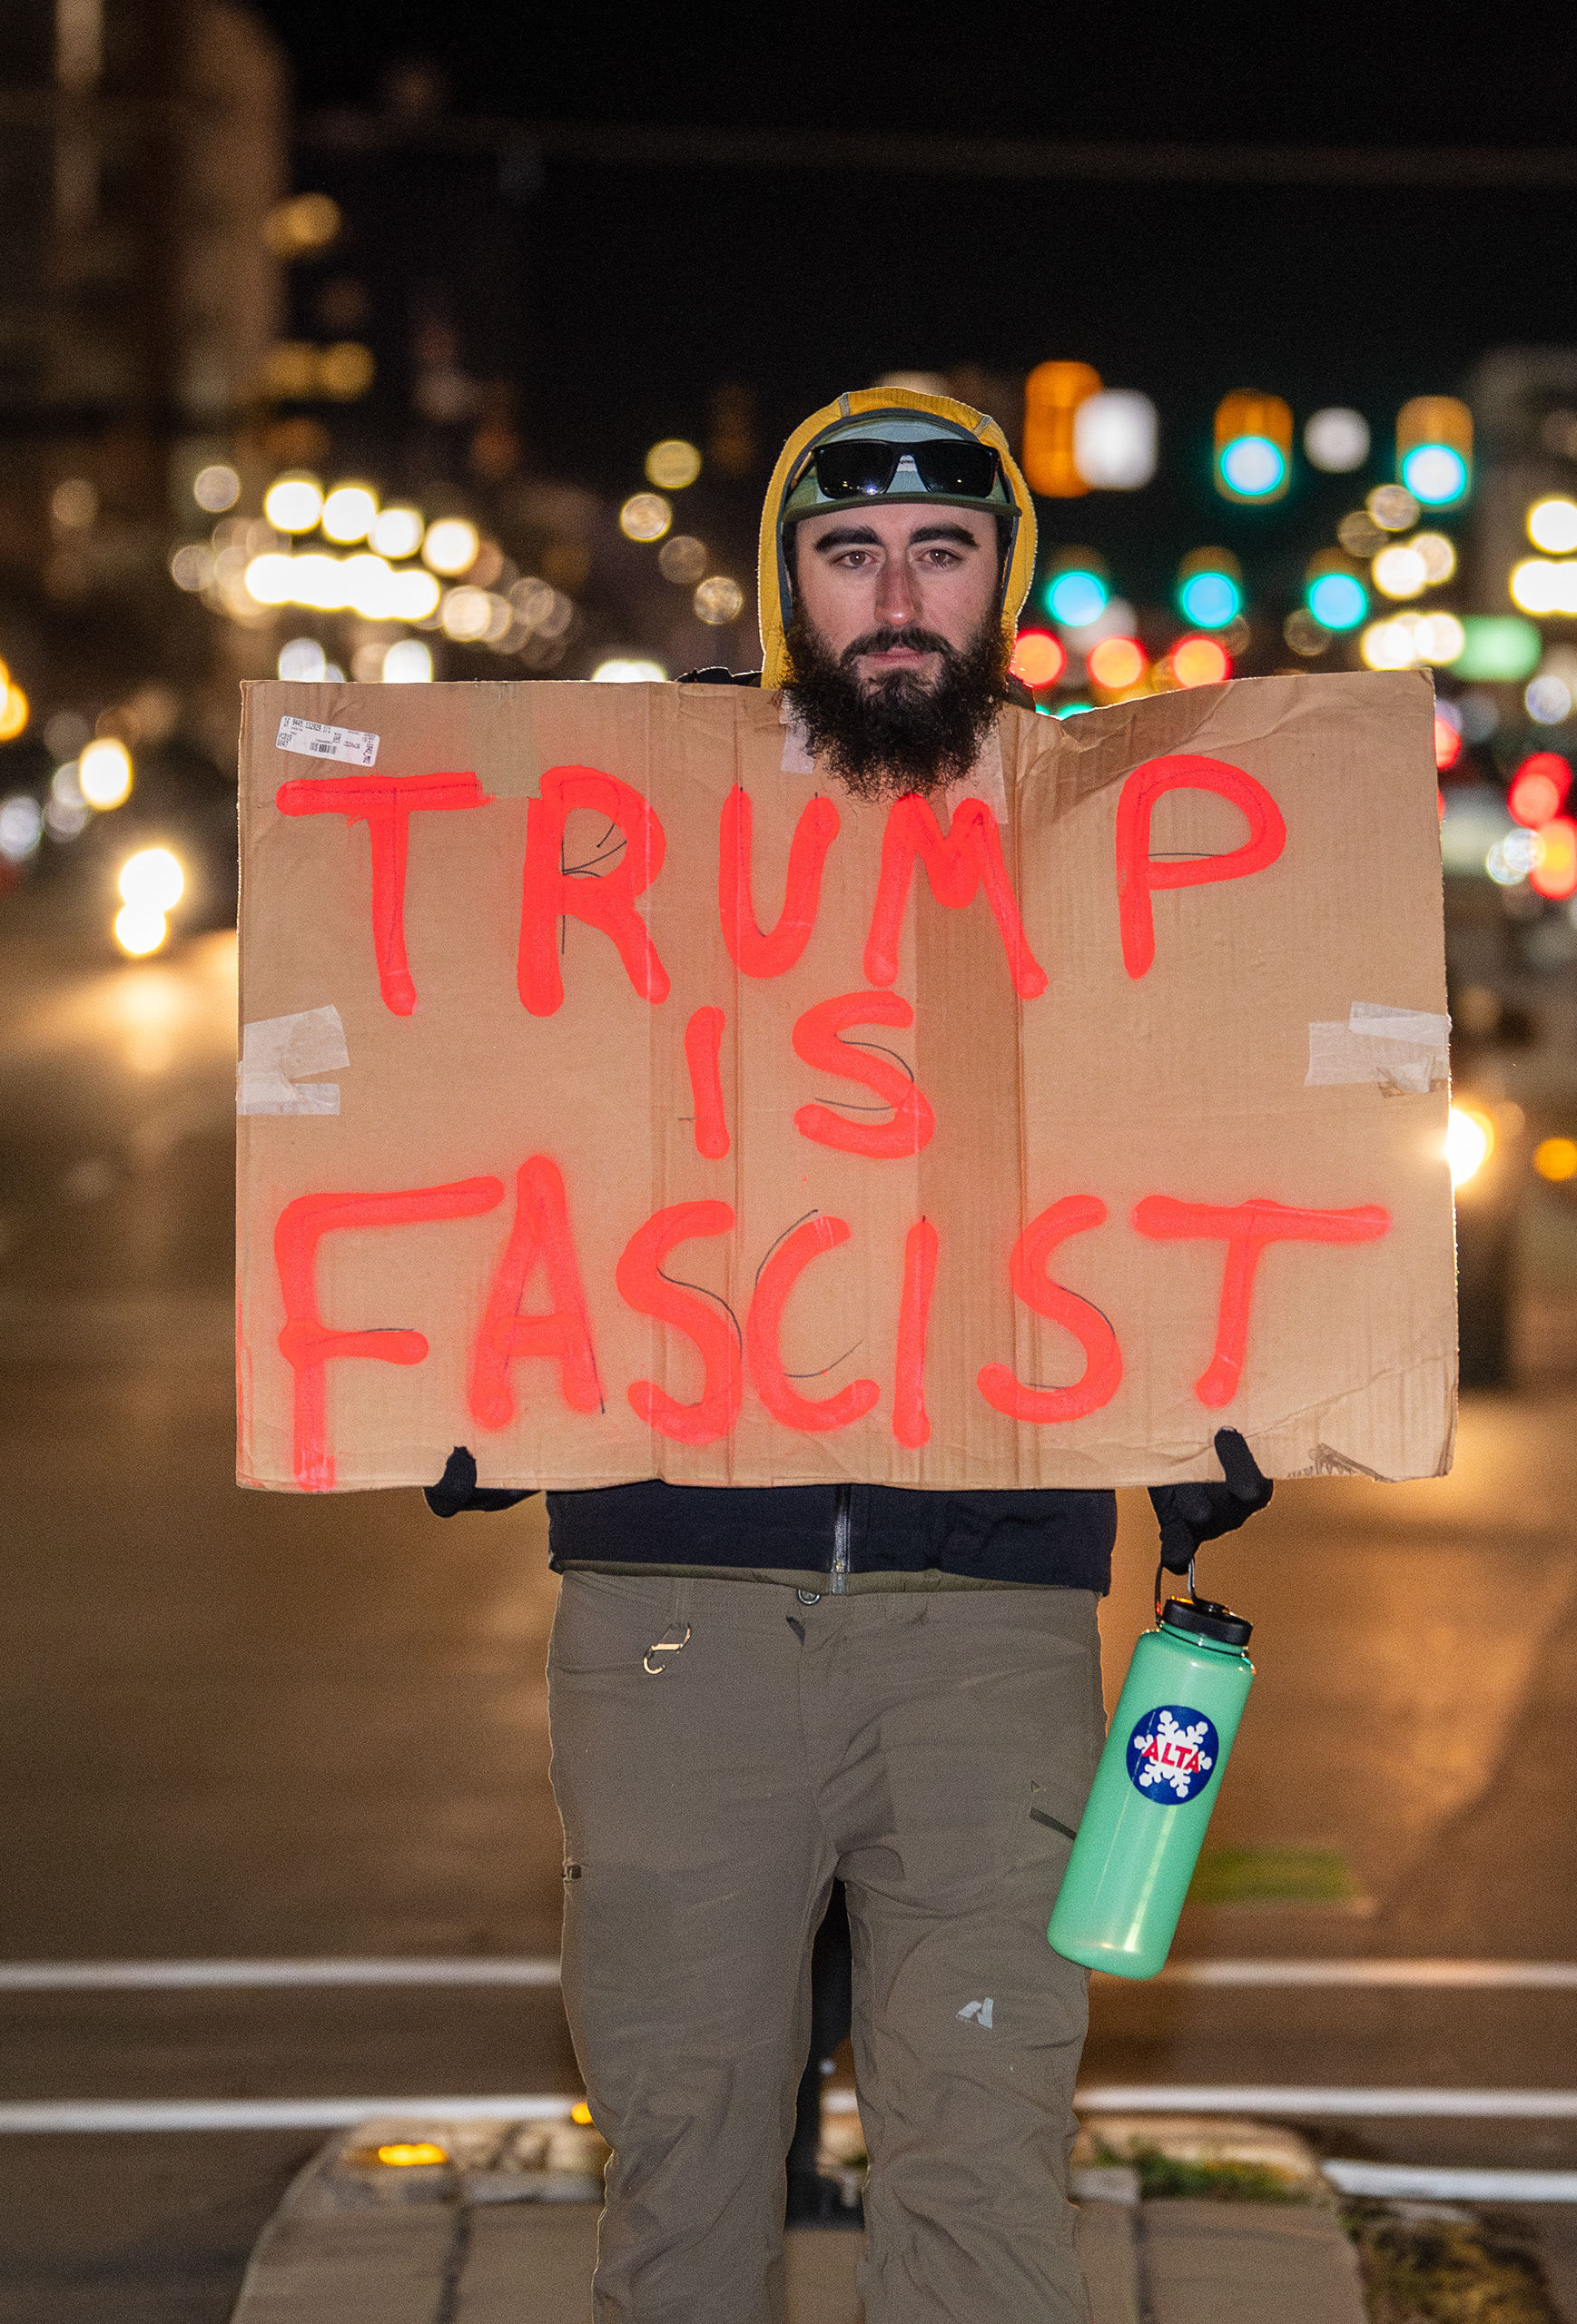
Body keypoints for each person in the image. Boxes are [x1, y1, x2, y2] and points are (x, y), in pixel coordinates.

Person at [425, 388, 1274, 2324]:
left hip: (992, 1622)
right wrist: (459, 1353)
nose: (897, 594)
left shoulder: (1093, 850)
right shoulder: (634, 835)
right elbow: (494, 1097)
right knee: (686, 2162)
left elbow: (1179, 1144)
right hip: (666, 1611)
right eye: (850, 550)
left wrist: (1225, 1389)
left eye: (944, 551)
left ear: (1004, 582)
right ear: (791, 581)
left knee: (985, 2166)